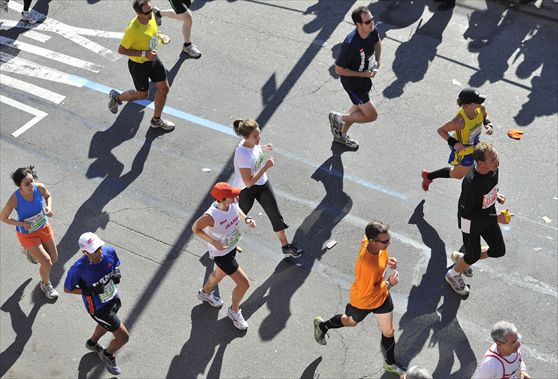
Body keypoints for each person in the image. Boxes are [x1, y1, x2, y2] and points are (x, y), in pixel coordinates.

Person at [313, 221, 406, 375]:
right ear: (372, 242)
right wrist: (390, 282)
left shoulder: (371, 243)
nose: (389, 242)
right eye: (385, 241)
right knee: (350, 322)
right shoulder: (367, 266)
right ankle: (322, 326)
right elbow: (370, 292)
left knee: (388, 331)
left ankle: (390, 363)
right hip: (364, 300)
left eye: (389, 239)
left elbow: (378, 252)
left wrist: (387, 261)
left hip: (381, 298)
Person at [445, 143, 510, 296]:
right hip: (470, 223)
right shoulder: (470, 183)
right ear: (480, 163)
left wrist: (496, 194)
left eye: (496, 157)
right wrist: (496, 219)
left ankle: (463, 260)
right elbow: (466, 213)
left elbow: (490, 186)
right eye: (493, 160)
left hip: (488, 216)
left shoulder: (493, 170)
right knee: (473, 255)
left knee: (498, 250)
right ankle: (453, 275)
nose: (497, 162)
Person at [232, 118, 303, 258]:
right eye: (256, 136)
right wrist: (265, 167)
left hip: (262, 184)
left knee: (275, 216)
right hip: (246, 190)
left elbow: (255, 149)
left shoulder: (252, 143)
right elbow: (248, 182)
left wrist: (264, 147)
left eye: (259, 134)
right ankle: (222, 239)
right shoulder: (242, 154)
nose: (259, 137)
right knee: (235, 217)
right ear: (246, 137)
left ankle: (285, 246)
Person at [192, 182, 256, 330]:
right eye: (232, 195)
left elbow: (237, 209)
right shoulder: (210, 216)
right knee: (244, 283)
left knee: (220, 273)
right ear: (221, 199)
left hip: (232, 246)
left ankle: (205, 293)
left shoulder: (232, 202)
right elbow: (195, 228)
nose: (236, 196)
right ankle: (234, 312)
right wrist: (214, 242)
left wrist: (246, 218)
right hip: (221, 253)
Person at [64, 232, 129, 376]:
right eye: (94, 250)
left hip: (112, 297)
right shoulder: (78, 268)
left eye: (99, 247)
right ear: (85, 251)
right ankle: (107, 355)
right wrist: (90, 291)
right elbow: (67, 289)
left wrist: (116, 272)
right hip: (98, 308)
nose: (99, 252)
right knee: (123, 337)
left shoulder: (108, 251)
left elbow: (116, 264)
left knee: (106, 324)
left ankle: (92, 343)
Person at [108, 0, 175, 131]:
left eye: (151, 9)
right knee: (142, 95)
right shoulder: (133, 30)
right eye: (148, 12)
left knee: (164, 88)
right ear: (139, 13)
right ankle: (116, 98)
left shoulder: (151, 17)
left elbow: (152, 33)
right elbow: (121, 50)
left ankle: (156, 120)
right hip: (138, 65)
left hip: (153, 59)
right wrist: (144, 54)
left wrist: (160, 37)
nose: (151, 13)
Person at [0, 166, 59, 299]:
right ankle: (46, 285)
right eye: (27, 183)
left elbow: (48, 195)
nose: (31, 185)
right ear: (19, 185)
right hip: (28, 234)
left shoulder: (39, 187)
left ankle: (33, 252)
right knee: (47, 262)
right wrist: (21, 224)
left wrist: (49, 207)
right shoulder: (15, 199)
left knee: (54, 258)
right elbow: (3, 217)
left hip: (43, 227)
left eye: (32, 180)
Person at [328, 6, 382, 149]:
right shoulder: (350, 45)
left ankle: (341, 135)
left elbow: (377, 42)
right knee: (371, 115)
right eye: (368, 21)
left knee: (358, 109)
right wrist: (362, 74)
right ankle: (337, 118)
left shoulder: (372, 31)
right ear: (358, 25)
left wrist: (378, 62)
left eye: (372, 19)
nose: (372, 23)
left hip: (365, 78)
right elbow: (338, 69)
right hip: (353, 83)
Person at [421, 88, 494, 191]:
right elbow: (441, 130)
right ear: (467, 104)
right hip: (463, 149)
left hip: (475, 144)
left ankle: (486, 188)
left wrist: (488, 124)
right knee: (458, 175)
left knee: (485, 161)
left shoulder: (480, 108)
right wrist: (455, 144)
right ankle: (428, 176)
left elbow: (485, 116)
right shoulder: (459, 121)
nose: (481, 102)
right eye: (476, 101)